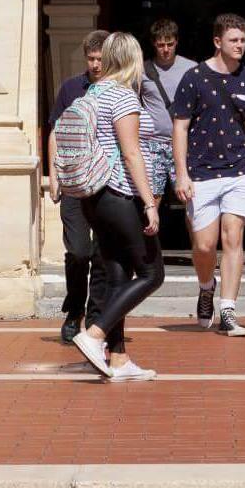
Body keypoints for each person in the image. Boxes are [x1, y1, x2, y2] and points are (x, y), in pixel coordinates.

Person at [172, 13, 245, 336]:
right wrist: (181, 174)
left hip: (240, 170)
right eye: (234, 40)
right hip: (201, 172)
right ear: (218, 42)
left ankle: (228, 309)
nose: (240, 45)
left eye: (243, 40)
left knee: (233, 235)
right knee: (204, 245)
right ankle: (206, 286)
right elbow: (180, 127)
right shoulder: (193, 78)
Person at [71, 32, 165, 382]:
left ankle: (120, 358)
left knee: (118, 276)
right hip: (119, 193)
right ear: (132, 59)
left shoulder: (93, 92)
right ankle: (95, 335)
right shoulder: (122, 96)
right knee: (153, 273)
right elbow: (131, 153)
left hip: (92, 196)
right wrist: (149, 202)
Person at [48, 29, 109, 345]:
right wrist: (53, 175)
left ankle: (96, 317)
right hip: (73, 182)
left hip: (107, 185)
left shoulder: (120, 89)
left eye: (101, 58)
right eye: (91, 58)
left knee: (102, 254)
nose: (96, 65)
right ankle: (74, 311)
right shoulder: (72, 87)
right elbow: (55, 133)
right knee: (78, 251)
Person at [141, 17, 196, 203]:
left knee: (191, 201)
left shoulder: (191, 69)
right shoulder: (141, 70)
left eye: (170, 44)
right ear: (153, 44)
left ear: (177, 41)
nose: (165, 50)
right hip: (152, 145)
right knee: (151, 201)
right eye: (161, 45)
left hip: (184, 144)